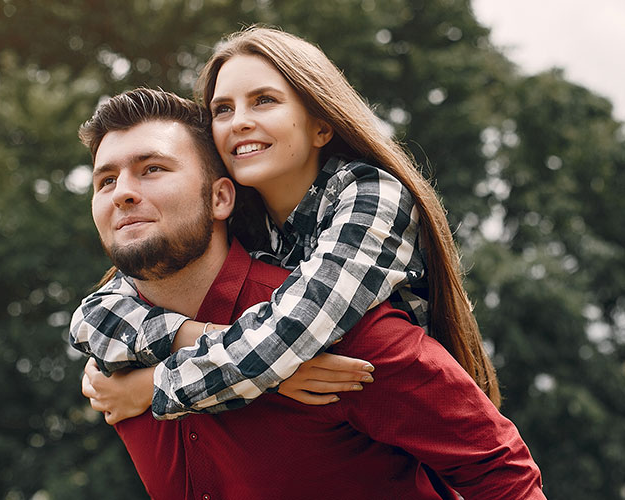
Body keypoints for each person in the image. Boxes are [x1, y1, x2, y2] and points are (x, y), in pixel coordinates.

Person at [79, 87, 545, 499]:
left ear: (221, 198)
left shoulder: (343, 335)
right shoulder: (114, 359)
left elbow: (502, 474)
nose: (123, 193)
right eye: (105, 180)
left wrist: (163, 385)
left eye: (152, 168)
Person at [69, 26, 500, 421]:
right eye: (222, 109)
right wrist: (214, 343)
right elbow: (94, 317)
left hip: (412, 437)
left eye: (264, 101)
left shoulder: (372, 196)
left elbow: (287, 337)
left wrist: (148, 387)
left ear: (322, 125)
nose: (238, 121)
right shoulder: (237, 215)